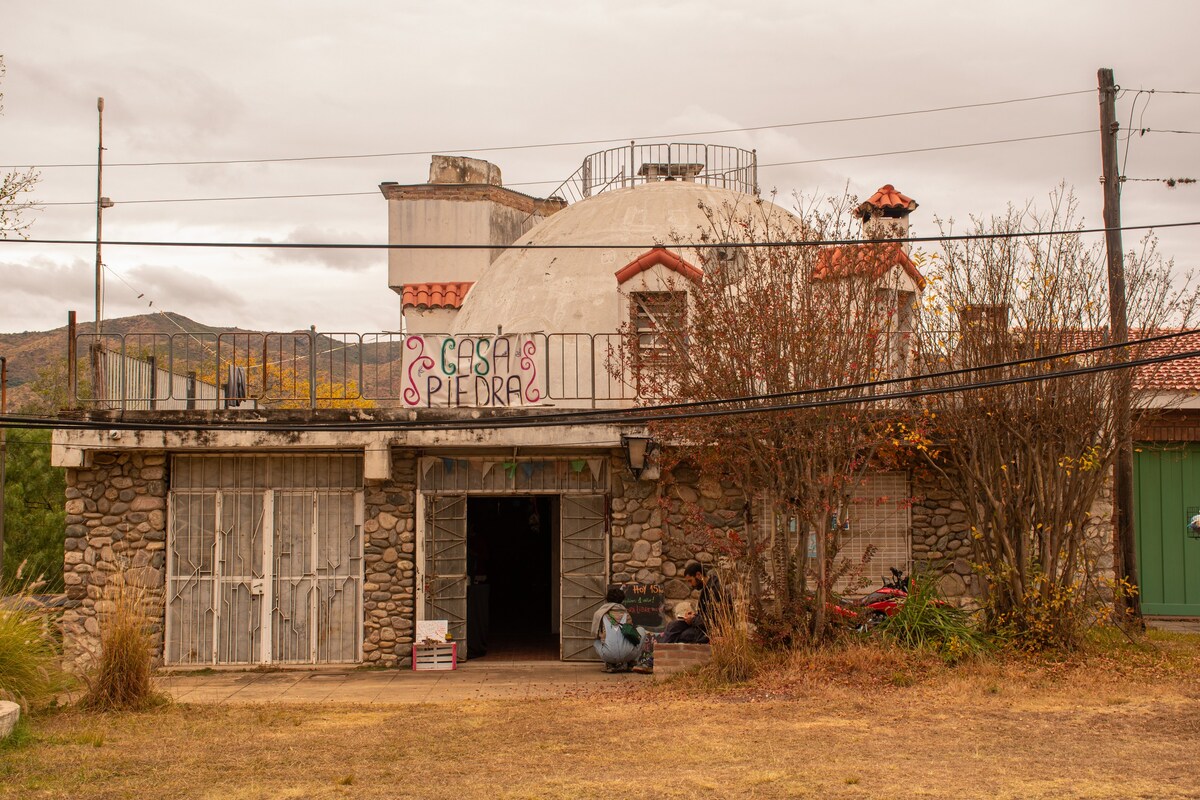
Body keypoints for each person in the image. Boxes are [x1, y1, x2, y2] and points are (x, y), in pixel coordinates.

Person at [590, 587, 645, 672]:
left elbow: (594, 635)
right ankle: (631, 663)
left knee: (596, 641)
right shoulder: (626, 614)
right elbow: (631, 635)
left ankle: (610, 664)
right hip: (628, 654)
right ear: (622, 600)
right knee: (641, 630)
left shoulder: (599, 615)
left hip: (608, 655)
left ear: (607, 599)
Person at [683, 562, 724, 636]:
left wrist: (692, 620)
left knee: (683, 634)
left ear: (698, 575)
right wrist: (694, 616)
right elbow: (706, 614)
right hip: (705, 628)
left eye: (690, 581)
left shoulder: (714, 590)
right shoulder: (707, 588)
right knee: (675, 626)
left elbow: (712, 620)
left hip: (713, 633)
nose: (691, 585)